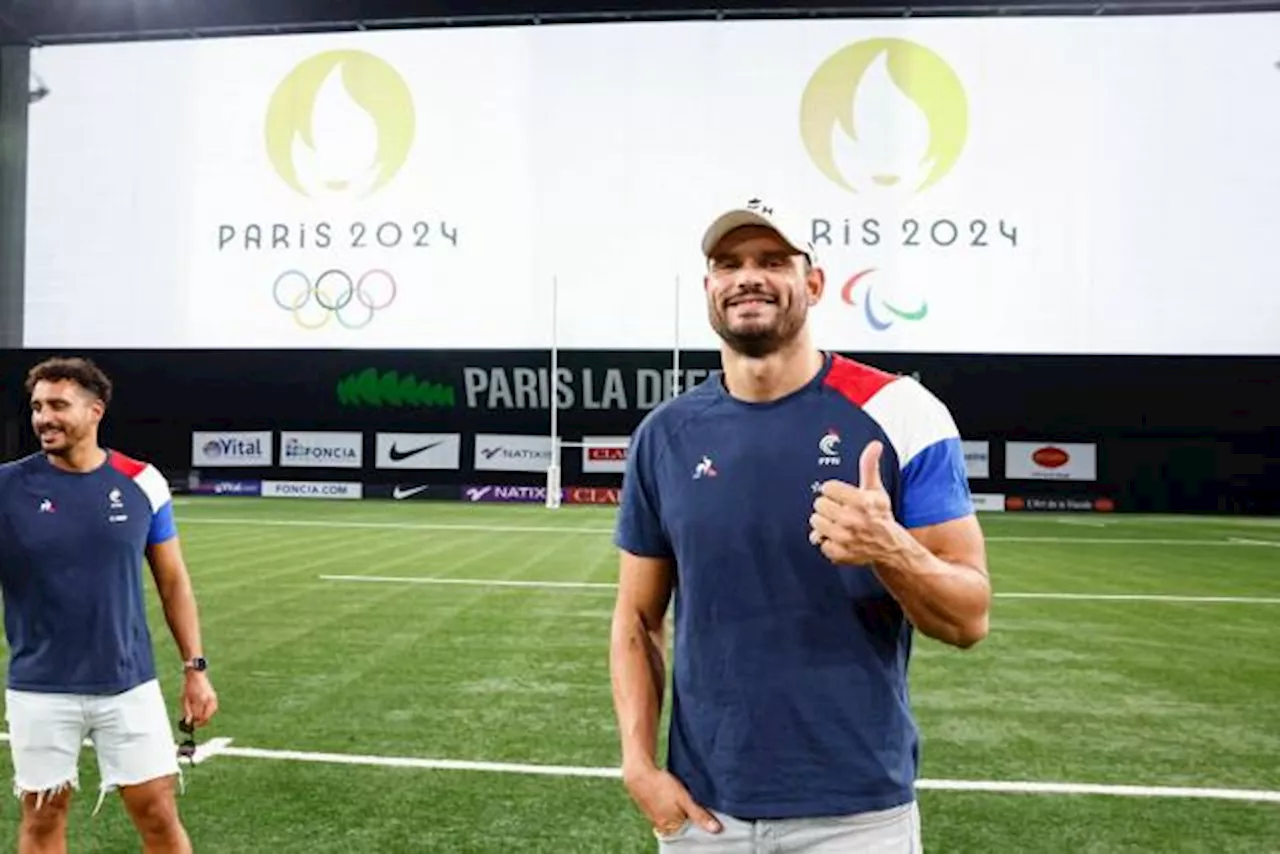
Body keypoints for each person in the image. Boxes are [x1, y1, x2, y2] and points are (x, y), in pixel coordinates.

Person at [609, 199, 991, 852]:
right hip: (704, 818)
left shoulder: (902, 413)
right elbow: (637, 619)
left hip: (857, 816)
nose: (747, 277)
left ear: (813, 284)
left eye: (771, 261)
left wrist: (891, 550)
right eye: (728, 264)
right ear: (709, 288)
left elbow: (968, 619)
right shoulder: (665, 435)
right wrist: (639, 766)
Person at [0, 356, 218, 854]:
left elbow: (174, 582)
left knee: (158, 814)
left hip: (128, 684)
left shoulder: (143, 481)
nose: (43, 418)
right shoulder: (7, 487)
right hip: (40, 687)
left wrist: (195, 668)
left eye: (58, 405)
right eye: (36, 407)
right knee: (42, 819)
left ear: (95, 410)